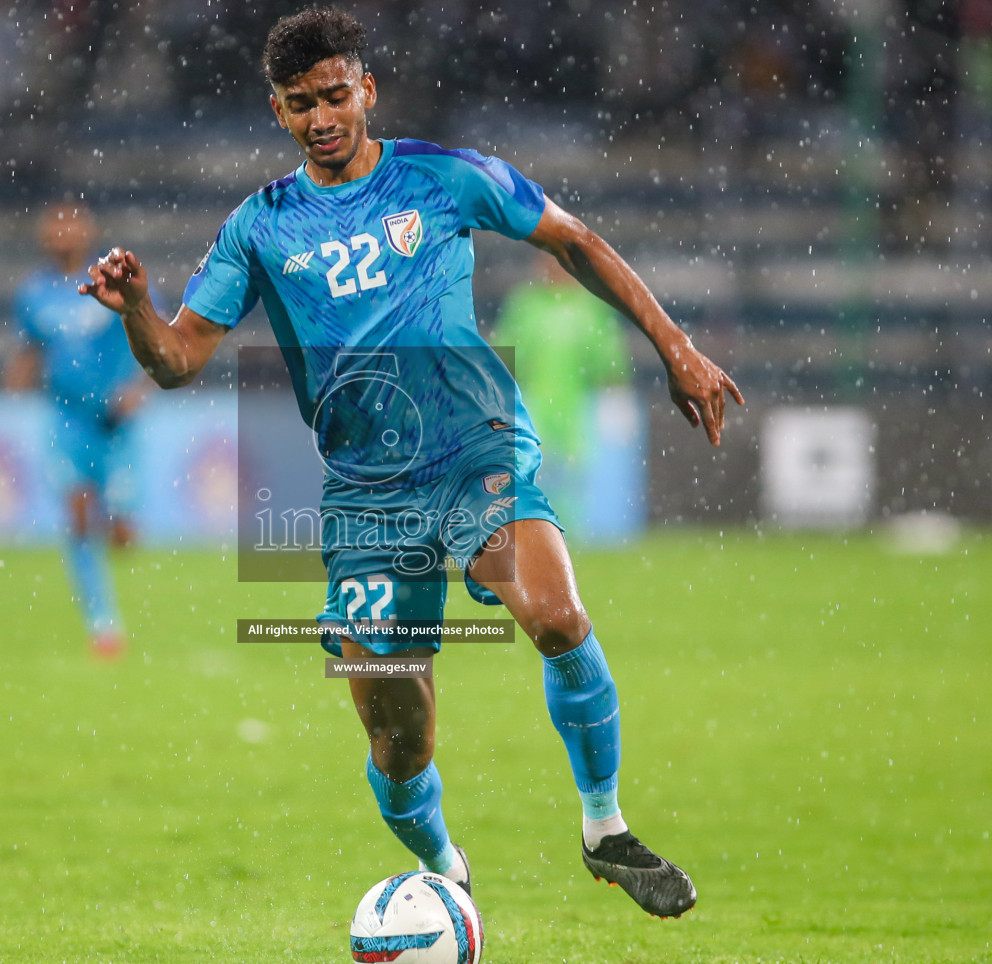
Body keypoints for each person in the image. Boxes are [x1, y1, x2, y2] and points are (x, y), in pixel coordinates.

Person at [79, 7, 742, 918]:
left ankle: (605, 827)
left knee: (553, 616)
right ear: (277, 110)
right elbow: (181, 360)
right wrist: (137, 310)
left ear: (368, 90)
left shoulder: (442, 177)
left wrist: (677, 346)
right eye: (301, 103)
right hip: (365, 491)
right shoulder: (259, 228)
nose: (322, 117)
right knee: (398, 738)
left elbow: (573, 241)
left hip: (476, 449)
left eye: (336, 96)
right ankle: (444, 864)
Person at [5, 201, 153, 659]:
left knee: (122, 532)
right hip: (65, 419)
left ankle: (122, 520)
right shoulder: (33, 293)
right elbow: (30, 348)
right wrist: (18, 374)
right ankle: (102, 623)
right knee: (79, 515)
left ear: (87, 231)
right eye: (54, 227)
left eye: (70, 225)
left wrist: (139, 388)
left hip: (115, 421)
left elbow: (156, 335)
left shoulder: (115, 278)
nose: (61, 234)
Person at [492, 250, 632, 528]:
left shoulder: (591, 308)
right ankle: (538, 535)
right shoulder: (524, 305)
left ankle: (570, 538)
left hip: (576, 407)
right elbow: (501, 357)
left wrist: (615, 397)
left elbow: (611, 363)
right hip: (531, 405)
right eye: (546, 261)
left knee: (573, 478)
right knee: (534, 474)